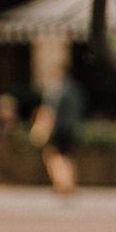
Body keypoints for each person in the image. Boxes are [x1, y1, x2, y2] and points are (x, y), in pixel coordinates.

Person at [32, 65, 86, 196]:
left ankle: (63, 183)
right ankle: (69, 182)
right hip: (72, 128)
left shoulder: (57, 91)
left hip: (59, 128)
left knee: (54, 155)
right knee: (67, 155)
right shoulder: (75, 89)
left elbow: (51, 112)